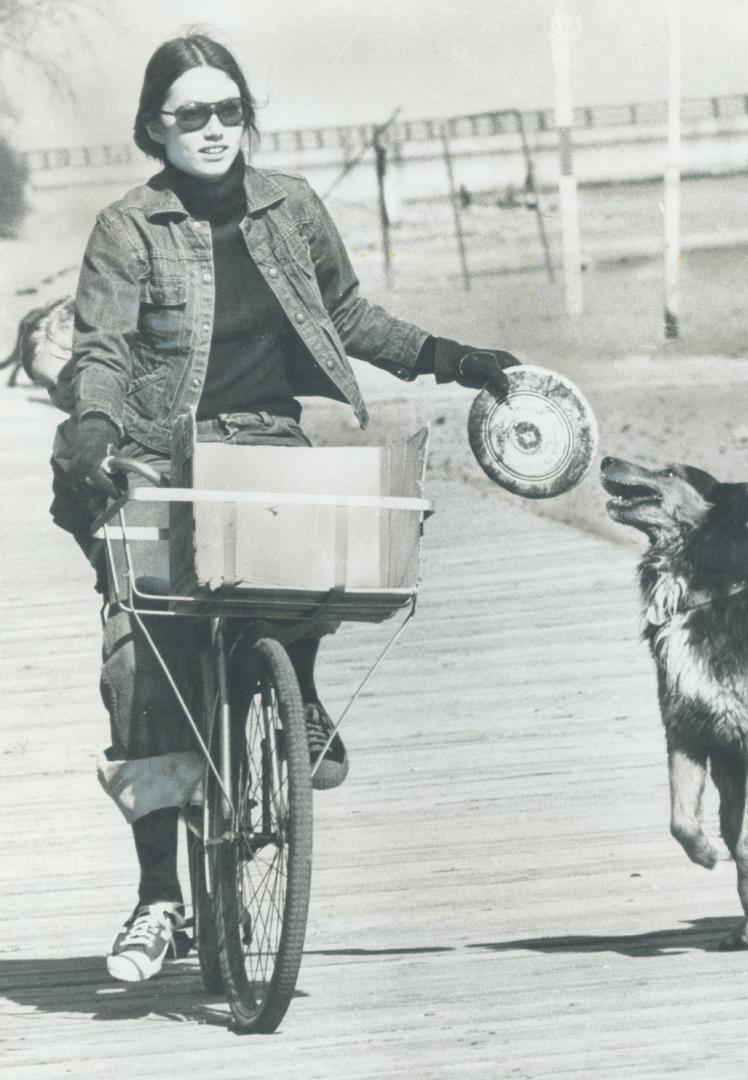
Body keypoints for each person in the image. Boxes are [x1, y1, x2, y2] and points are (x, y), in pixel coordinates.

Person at [48, 32, 521, 983]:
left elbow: (346, 316)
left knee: (312, 560)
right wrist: (94, 429)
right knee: (143, 661)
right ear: (155, 128)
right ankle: (158, 899)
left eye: (230, 110)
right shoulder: (126, 228)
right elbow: (99, 346)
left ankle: (294, 689)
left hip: (263, 439)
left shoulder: (290, 207)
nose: (215, 129)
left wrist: (457, 359)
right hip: (154, 451)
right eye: (192, 115)